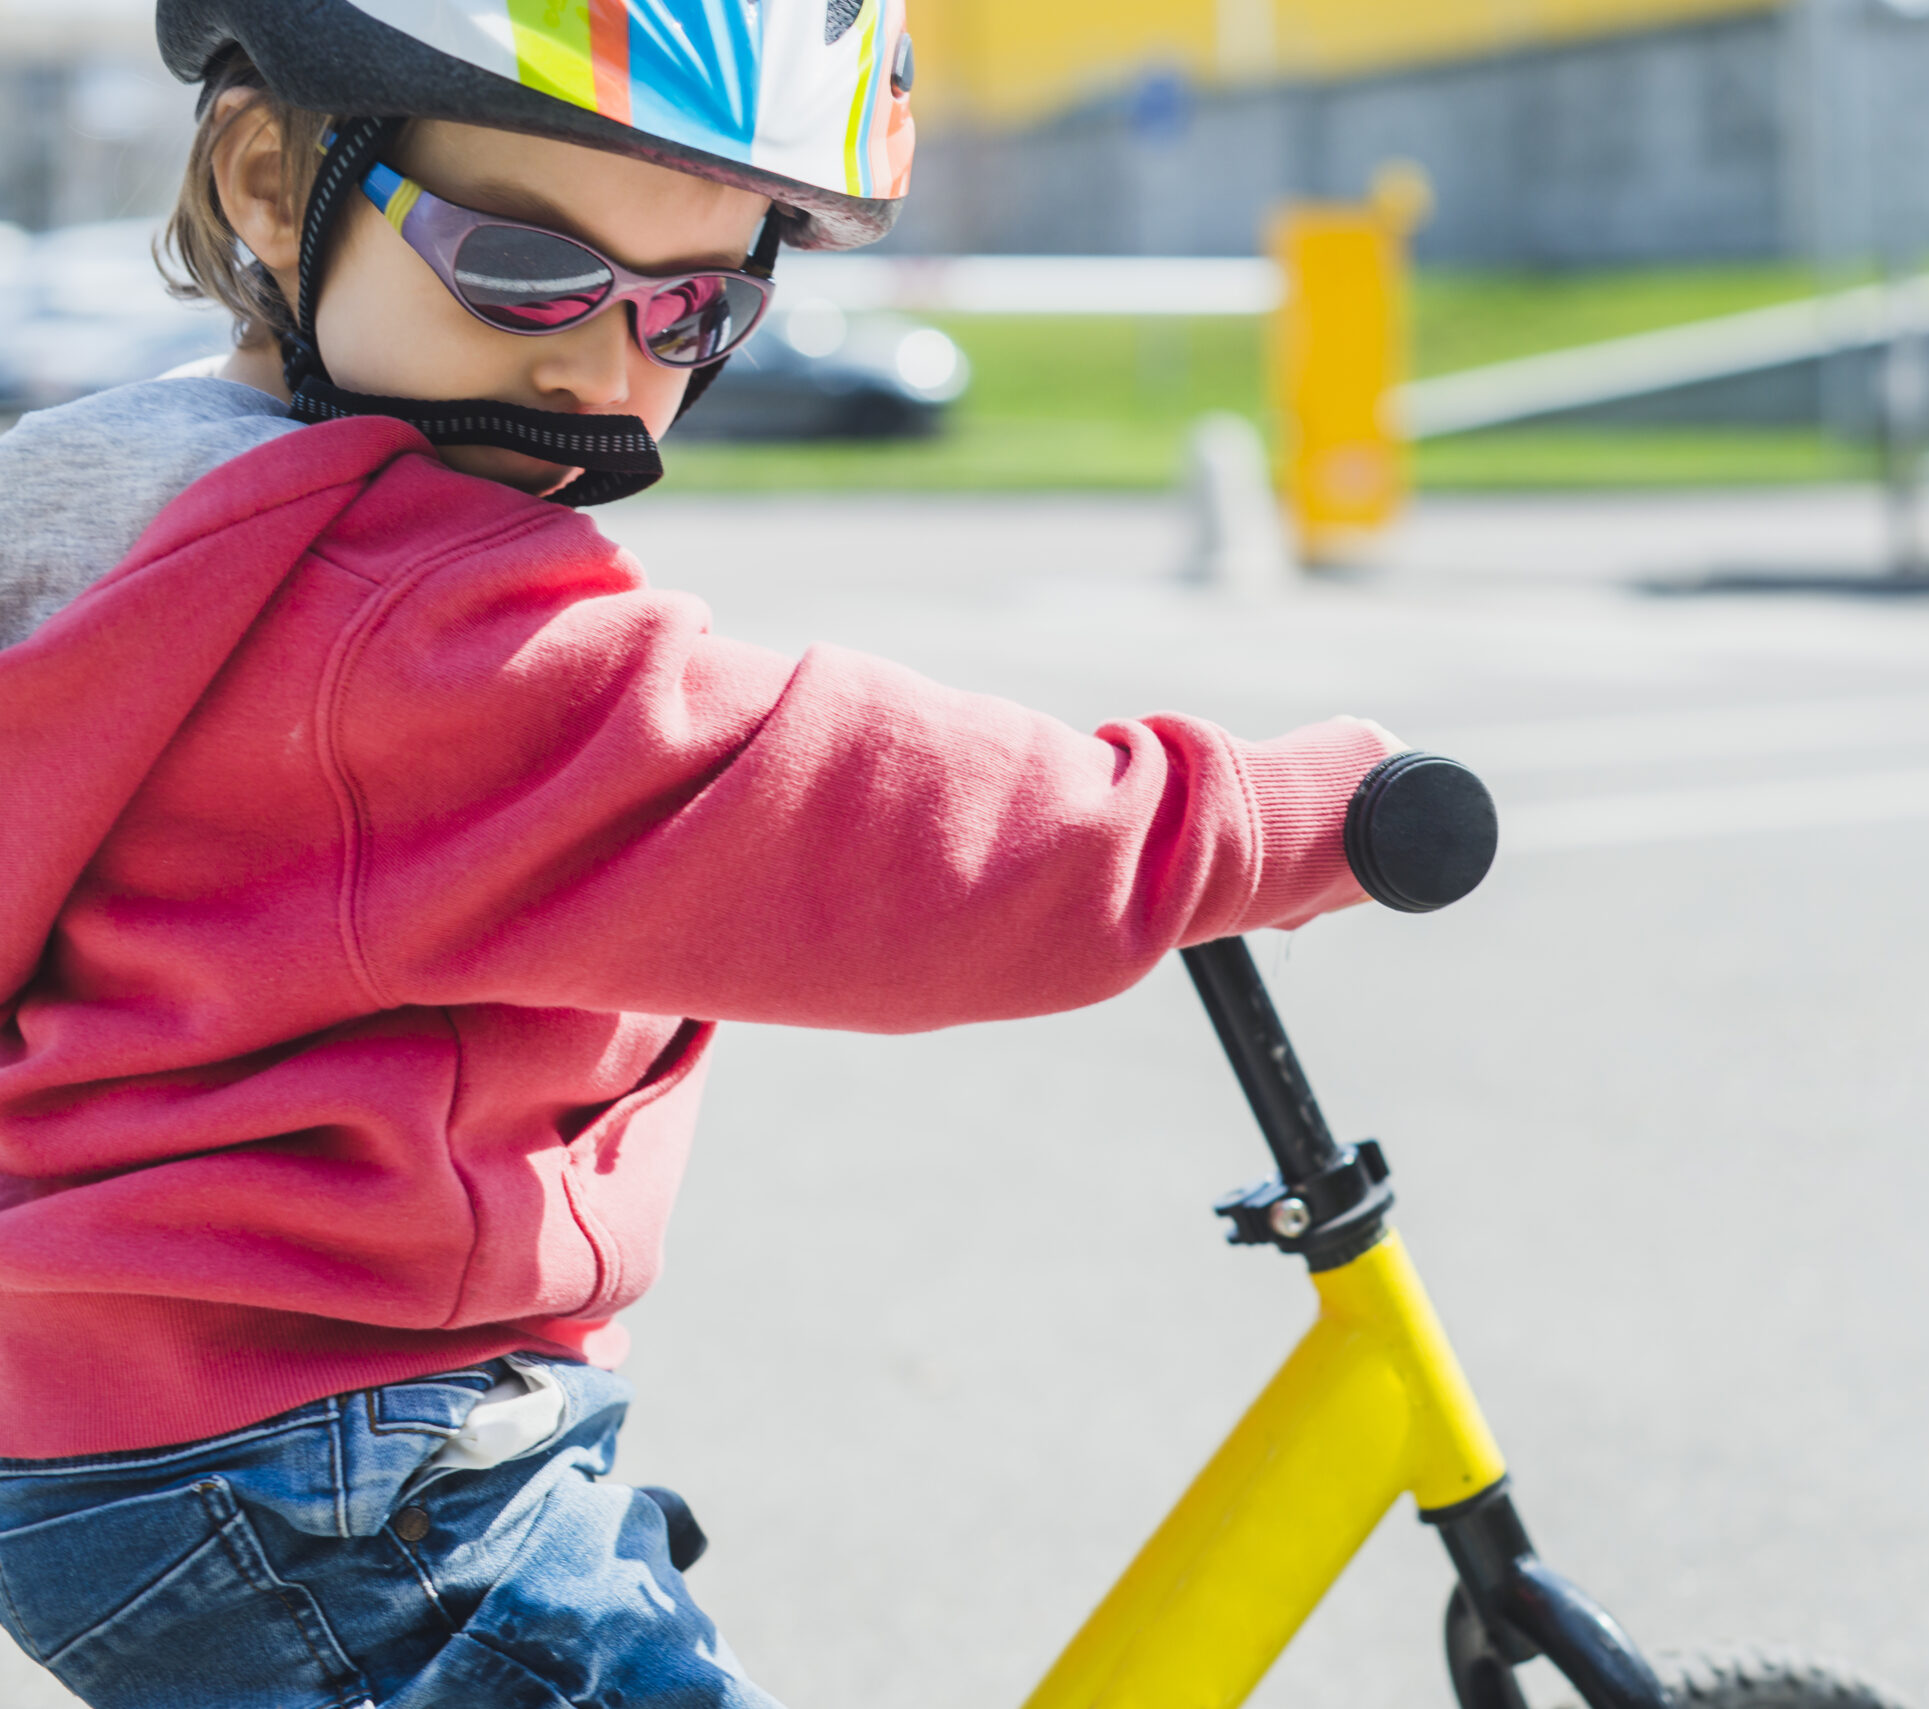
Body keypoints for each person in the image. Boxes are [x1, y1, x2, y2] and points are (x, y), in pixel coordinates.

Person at [0, 5, 1401, 1704]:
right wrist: (1261, 817)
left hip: (125, 1422)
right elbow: (840, 819)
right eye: (525, 267)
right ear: (273, 182)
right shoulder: (409, 622)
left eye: (695, 306)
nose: (602, 372)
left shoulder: (104, 501)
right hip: (329, 1471)